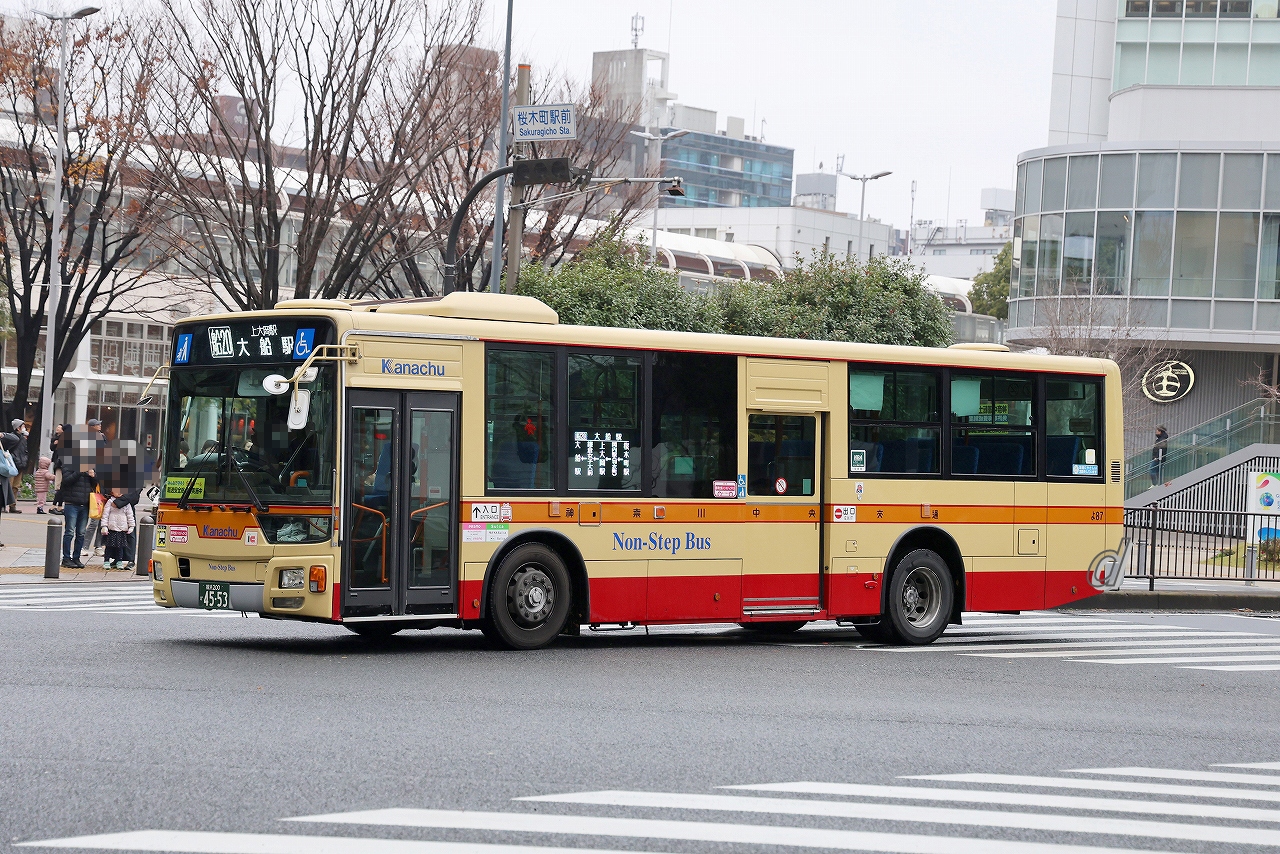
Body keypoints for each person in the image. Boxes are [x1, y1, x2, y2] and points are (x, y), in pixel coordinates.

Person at [58, 456, 96, 569]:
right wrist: (80, 471)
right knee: (69, 532)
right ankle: (66, 558)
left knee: (81, 533)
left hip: (85, 504)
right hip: (71, 503)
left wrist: (93, 476)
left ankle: (76, 558)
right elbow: (66, 481)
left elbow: (94, 484)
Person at [100, 487, 135, 571]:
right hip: (111, 528)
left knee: (120, 546)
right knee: (109, 546)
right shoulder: (110, 502)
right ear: (112, 492)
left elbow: (130, 516)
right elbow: (105, 515)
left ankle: (119, 561)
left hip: (122, 529)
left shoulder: (127, 503)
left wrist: (131, 526)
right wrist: (104, 526)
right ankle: (106, 560)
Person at [8, 419, 27, 513]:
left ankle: (12, 506)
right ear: (18, 428)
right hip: (12, 465)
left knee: (16, 486)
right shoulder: (11, 437)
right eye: (23, 426)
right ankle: (3, 505)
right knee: (9, 485)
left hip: (20, 465)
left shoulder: (23, 439)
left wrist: (25, 461)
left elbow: (25, 451)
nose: (24, 428)